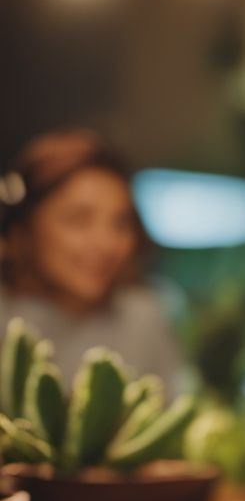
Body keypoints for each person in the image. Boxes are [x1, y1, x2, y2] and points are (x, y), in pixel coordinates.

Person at [0, 129, 182, 388]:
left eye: (120, 222)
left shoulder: (144, 319)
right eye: (79, 220)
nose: (107, 243)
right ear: (24, 228)